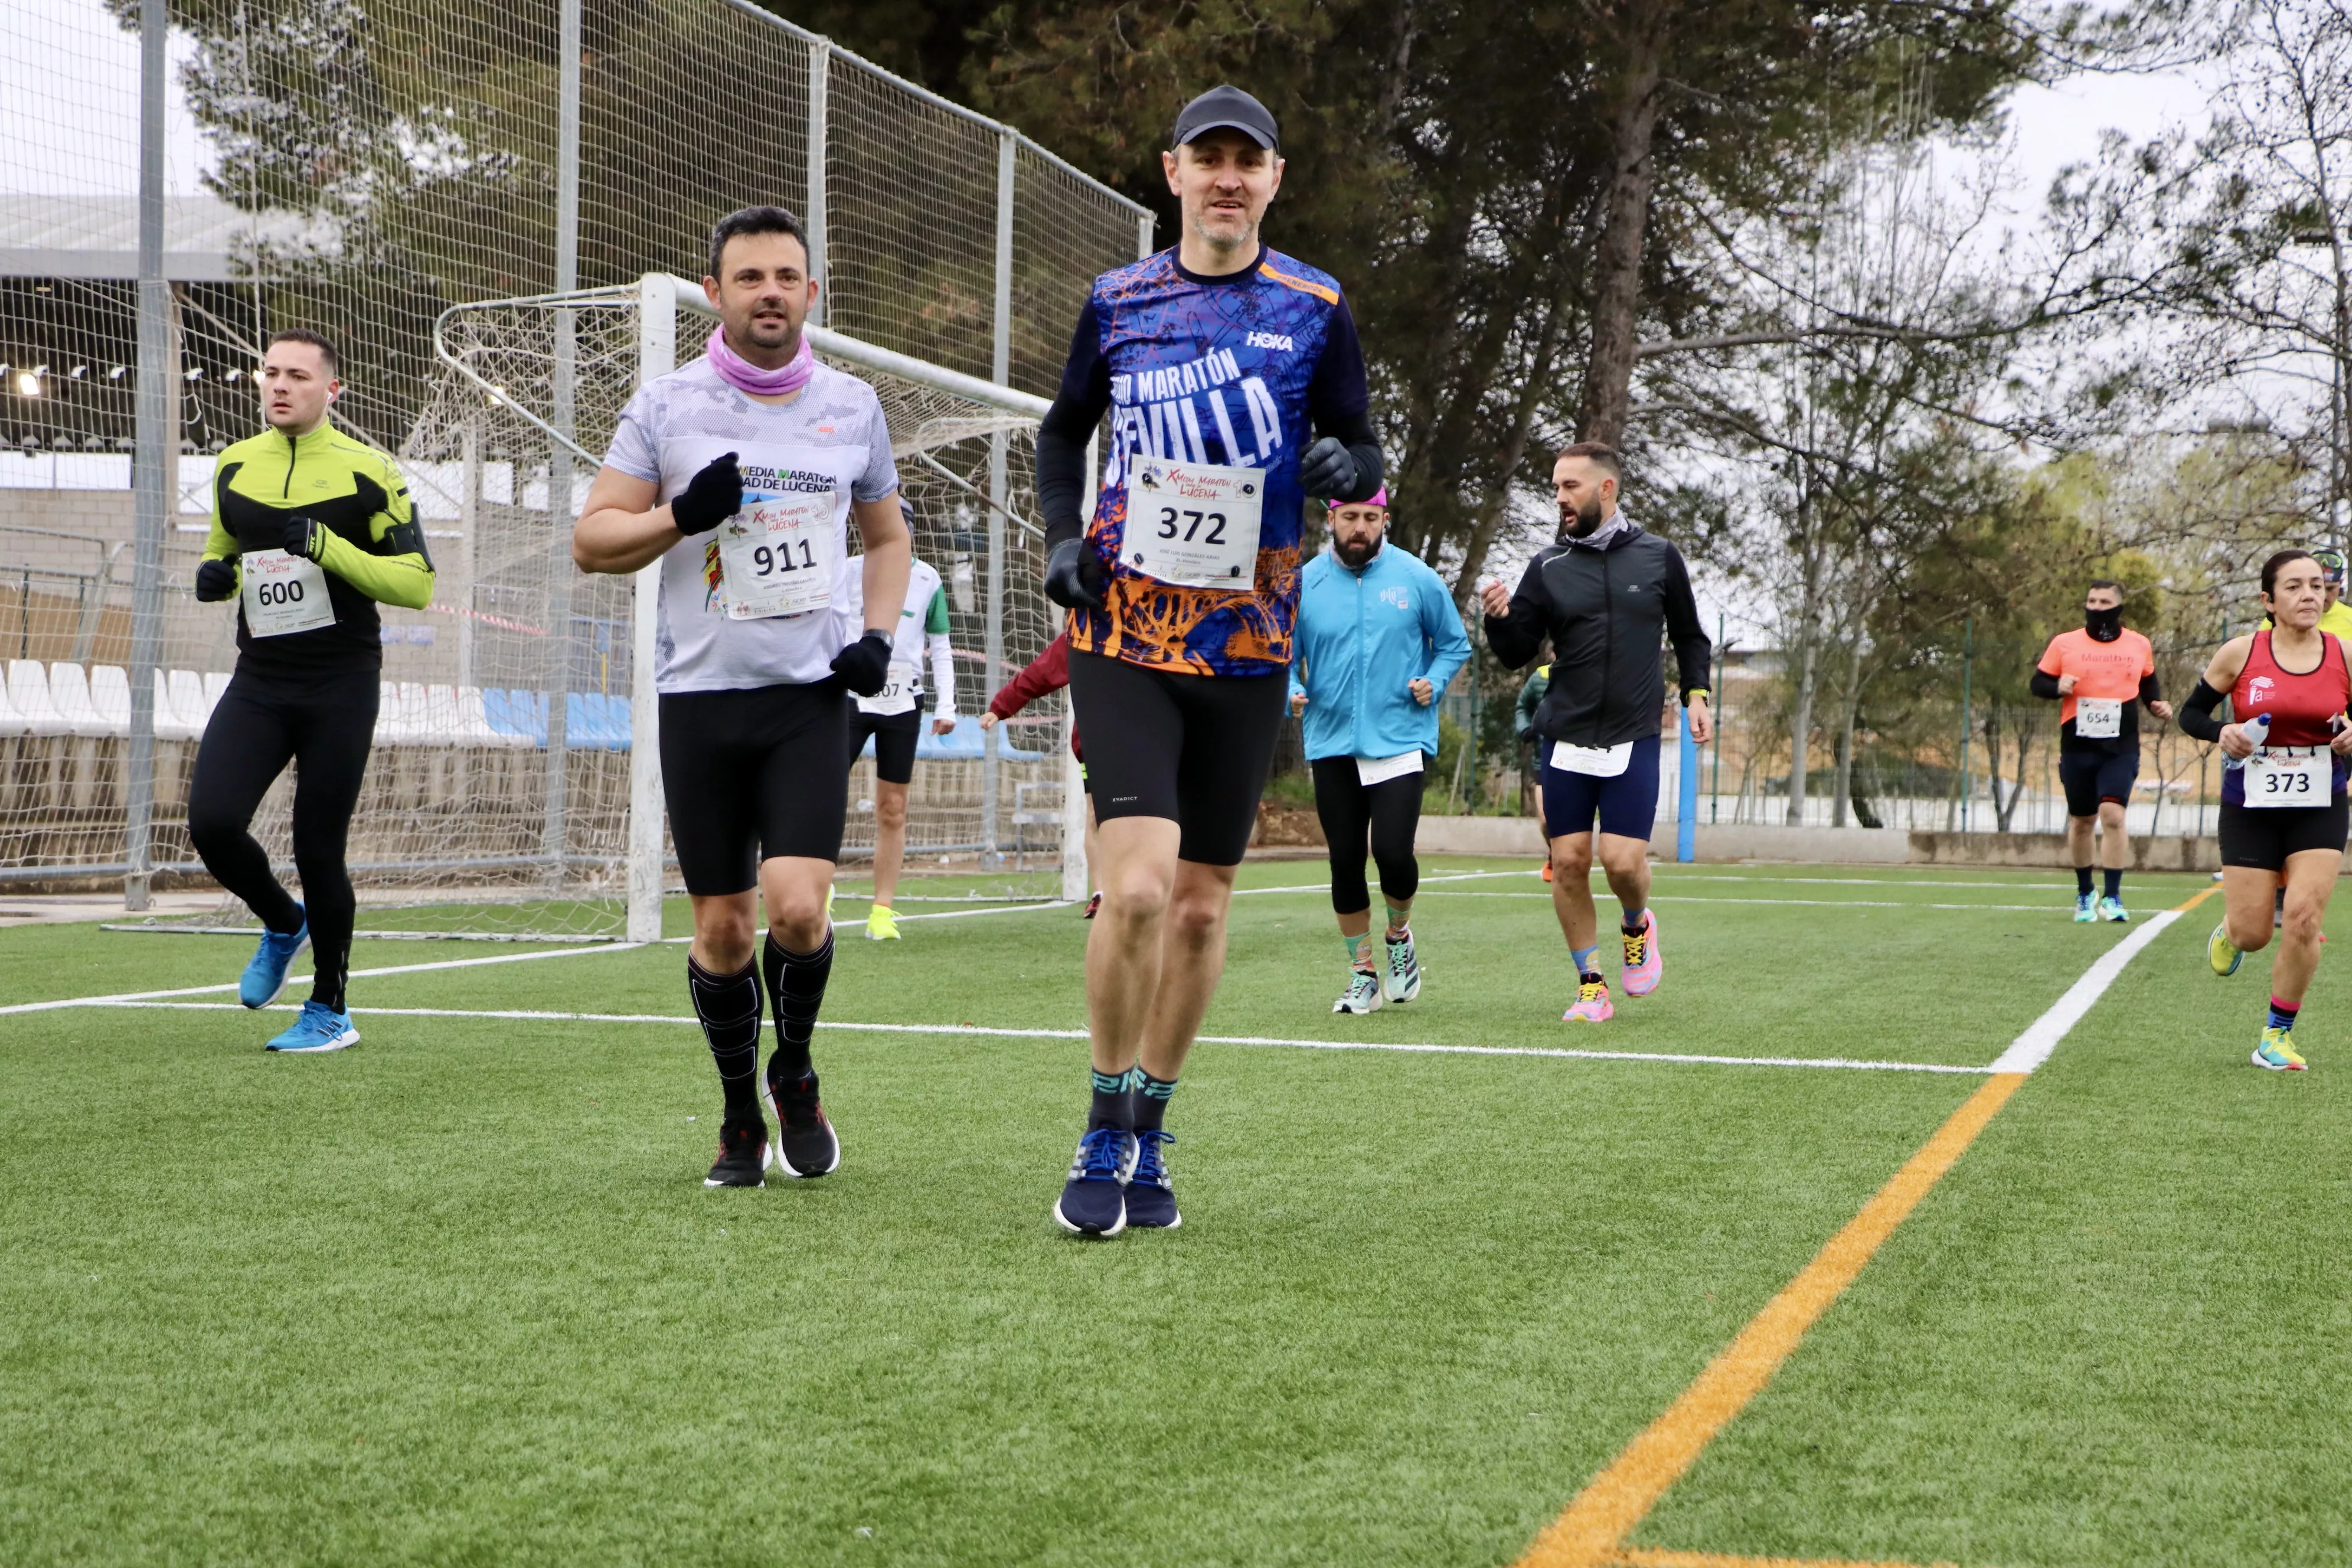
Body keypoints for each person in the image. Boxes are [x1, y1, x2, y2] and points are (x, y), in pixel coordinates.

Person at [1032, 84, 1383, 1236]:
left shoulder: (1317, 305)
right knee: (1132, 889)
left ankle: (1149, 1120)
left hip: (1248, 639)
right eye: (1208, 157)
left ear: (1275, 179)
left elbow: (1364, 448)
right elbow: (1062, 428)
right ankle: (1096, 1113)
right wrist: (1055, 540)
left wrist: (1344, 466)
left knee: (1194, 909)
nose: (1228, 176)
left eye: (1250, 160)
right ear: (1172, 172)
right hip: (1127, 631)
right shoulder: (1119, 299)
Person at [573, 205, 912, 1186]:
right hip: (701, 704)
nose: (770, 291)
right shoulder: (666, 406)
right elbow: (592, 541)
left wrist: (877, 639)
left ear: (811, 292)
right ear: (713, 293)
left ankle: (793, 1072)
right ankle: (736, 1118)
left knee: (798, 910)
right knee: (722, 929)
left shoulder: (851, 406)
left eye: (787, 276)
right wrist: (681, 516)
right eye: (750, 276)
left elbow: (886, 538)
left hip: (809, 700)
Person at [187, 327, 435, 1054]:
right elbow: (221, 551)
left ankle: (330, 1009)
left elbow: (417, 584)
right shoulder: (234, 465)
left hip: (341, 683)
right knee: (211, 821)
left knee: (318, 846)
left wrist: (330, 547)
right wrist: (214, 577)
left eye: (297, 375)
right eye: (270, 373)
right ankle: (282, 921)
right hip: (260, 681)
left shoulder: (370, 472)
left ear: (333, 389)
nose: (279, 385)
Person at [1480, 443, 1711, 1024]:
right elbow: (1513, 654)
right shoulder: (1548, 567)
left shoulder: (1660, 558)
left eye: (1570, 487)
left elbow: (1690, 636)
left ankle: (1637, 924)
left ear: (1606, 489)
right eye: (1556, 487)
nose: (1559, 497)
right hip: (1566, 736)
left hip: (1633, 734)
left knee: (1624, 863)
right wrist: (1497, 617)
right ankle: (1591, 984)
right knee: (1571, 860)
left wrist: (1697, 696)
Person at [1288, 488, 1469, 1013]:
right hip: (1331, 742)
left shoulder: (1416, 577)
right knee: (1345, 860)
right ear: (1332, 520)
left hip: (1399, 737)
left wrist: (1433, 682)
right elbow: (1281, 655)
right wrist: (1289, 694)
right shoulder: (1306, 584)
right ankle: (1361, 973)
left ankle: (1399, 938)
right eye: (1350, 518)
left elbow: (1455, 643)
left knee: (1392, 853)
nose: (1360, 528)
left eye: (1370, 517)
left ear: (1385, 519)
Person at [2178, 548, 2352, 1070]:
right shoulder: (2241, 653)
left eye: (2317, 586)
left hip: (2321, 803)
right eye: (2295, 587)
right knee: (2256, 932)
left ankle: (2276, 1036)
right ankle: (2232, 932)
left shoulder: (2345, 655)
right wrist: (2221, 732)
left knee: (2302, 919)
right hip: (2250, 805)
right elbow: (2191, 714)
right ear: (2268, 600)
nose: (2310, 595)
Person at [834, 538, 958, 940]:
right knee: (823, 792)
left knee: (893, 808)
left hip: (903, 702)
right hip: (849, 698)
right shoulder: (847, 569)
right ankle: (818, 888)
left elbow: (939, 645)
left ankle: (881, 911)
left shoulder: (928, 579)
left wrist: (947, 706)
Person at [2031, 580, 2173, 923]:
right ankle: (2085, 893)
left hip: (2120, 746)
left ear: (2118, 606)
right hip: (2078, 745)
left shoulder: (2139, 644)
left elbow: (2148, 681)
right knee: (2082, 821)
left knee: (2113, 815)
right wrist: (2057, 687)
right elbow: (2038, 684)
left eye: (2104, 601)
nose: (2096, 606)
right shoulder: (2065, 643)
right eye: (2091, 600)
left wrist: (2156, 703)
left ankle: (2113, 896)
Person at [980, 630, 1099, 915]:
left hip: (1156, 740)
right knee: (1098, 816)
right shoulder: (1089, 627)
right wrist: (1002, 706)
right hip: (1098, 742)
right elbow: (1044, 669)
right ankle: (1102, 893)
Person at [1515, 663, 1553, 878]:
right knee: (1546, 819)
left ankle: (1570, 858)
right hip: (1544, 761)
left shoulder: (1586, 670)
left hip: (1577, 759)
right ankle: (1555, 853)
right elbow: (1522, 706)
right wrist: (1525, 728)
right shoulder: (1540, 676)